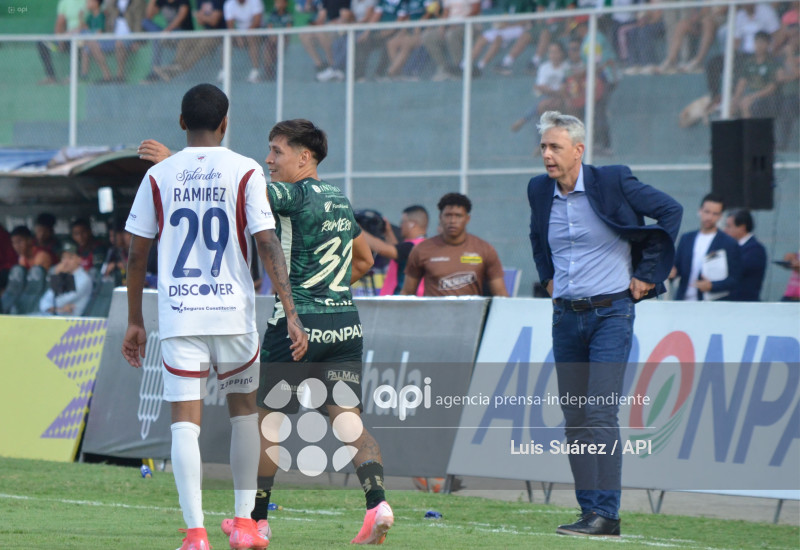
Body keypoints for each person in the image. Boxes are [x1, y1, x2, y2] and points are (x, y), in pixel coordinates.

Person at [136, 120, 393, 544]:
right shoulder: (340, 199)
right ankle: (377, 502)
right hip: (344, 320)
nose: (269, 161)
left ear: (304, 157)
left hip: (298, 325)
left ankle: (255, 519)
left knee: (265, 422)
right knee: (347, 419)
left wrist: (173, 166)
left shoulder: (286, 194)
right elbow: (364, 258)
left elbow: (229, 188)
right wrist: (327, 284)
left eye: (277, 152)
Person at [122, 84, 308, 550]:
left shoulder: (158, 176)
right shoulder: (245, 169)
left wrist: (134, 320)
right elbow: (267, 244)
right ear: (226, 123)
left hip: (181, 313)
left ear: (182, 123)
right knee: (246, 416)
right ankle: (245, 526)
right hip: (233, 313)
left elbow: (135, 256)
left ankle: (196, 533)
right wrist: (290, 310)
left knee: (185, 422)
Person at [527, 111, 682, 537]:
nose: (546, 155)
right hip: (565, 317)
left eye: (555, 146)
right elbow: (537, 236)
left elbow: (670, 210)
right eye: (543, 146)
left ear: (578, 150)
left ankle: (607, 514)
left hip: (612, 313)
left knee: (599, 414)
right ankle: (589, 511)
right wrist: (547, 276)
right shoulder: (538, 190)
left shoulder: (613, 180)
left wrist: (649, 273)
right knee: (575, 418)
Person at [402, 193, 508, 297]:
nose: (452, 221)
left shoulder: (484, 250)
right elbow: (407, 293)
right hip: (433, 314)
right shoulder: (422, 249)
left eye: (458, 216)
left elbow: (500, 294)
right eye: (448, 216)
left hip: (471, 314)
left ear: (467, 218)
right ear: (440, 217)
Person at [671, 193, 741, 301]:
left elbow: (734, 279)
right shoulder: (686, 238)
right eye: (707, 212)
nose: (709, 217)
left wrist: (712, 286)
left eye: (715, 214)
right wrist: (671, 272)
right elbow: (677, 268)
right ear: (700, 211)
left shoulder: (729, 243)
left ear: (720, 216)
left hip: (711, 303)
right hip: (683, 300)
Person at [361, 205, 428, 295]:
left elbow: (382, 249)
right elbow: (398, 252)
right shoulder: (424, 245)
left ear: (412, 224)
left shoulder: (412, 247)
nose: (400, 225)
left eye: (403, 222)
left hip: (400, 304)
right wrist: (387, 232)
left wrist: (355, 229)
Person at [421, 0, 481, 81]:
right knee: (428, 36)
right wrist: (442, 26)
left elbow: (476, 10)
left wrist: (460, 23)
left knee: (451, 35)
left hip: (470, 25)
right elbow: (446, 11)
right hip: (452, 26)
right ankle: (444, 69)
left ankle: (460, 69)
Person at [730, 31, 782, 119]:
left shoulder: (773, 63)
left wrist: (752, 97)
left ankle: (750, 131)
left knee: (746, 105)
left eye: (762, 43)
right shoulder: (749, 63)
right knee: (731, 108)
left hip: (765, 98)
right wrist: (735, 99)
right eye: (757, 42)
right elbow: (742, 83)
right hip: (749, 96)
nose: (759, 45)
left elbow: (772, 88)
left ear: (768, 45)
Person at [141, 0, 194, 83]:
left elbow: (181, 16)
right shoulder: (162, 1)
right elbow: (149, 16)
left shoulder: (183, 1)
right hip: (167, 34)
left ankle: (155, 73)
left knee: (158, 37)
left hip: (182, 34)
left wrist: (167, 31)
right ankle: (154, 73)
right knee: (145, 23)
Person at [38, 241, 93, 316]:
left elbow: (60, 301)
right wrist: (57, 309)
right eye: (63, 257)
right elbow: (44, 301)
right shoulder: (64, 276)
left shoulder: (84, 279)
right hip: (55, 317)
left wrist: (57, 277)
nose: (65, 262)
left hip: (73, 322)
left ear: (79, 259)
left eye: (70, 258)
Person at [38, 0, 86, 85]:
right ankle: (50, 76)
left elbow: (88, 23)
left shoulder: (90, 2)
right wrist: (60, 41)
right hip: (67, 36)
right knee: (42, 43)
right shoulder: (64, 2)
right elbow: (59, 23)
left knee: (76, 43)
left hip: (83, 37)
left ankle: (72, 77)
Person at [723, 209, 767, 302]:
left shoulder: (755, 249)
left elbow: (736, 269)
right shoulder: (734, 247)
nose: (725, 230)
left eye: (729, 226)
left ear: (742, 227)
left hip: (745, 303)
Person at [224, 0, 266, 83]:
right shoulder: (229, 4)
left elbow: (257, 21)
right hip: (240, 35)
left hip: (257, 33)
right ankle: (224, 71)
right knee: (226, 41)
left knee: (252, 38)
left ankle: (255, 71)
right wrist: (238, 36)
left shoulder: (255, 1)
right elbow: (230, 26)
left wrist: (246, 34)